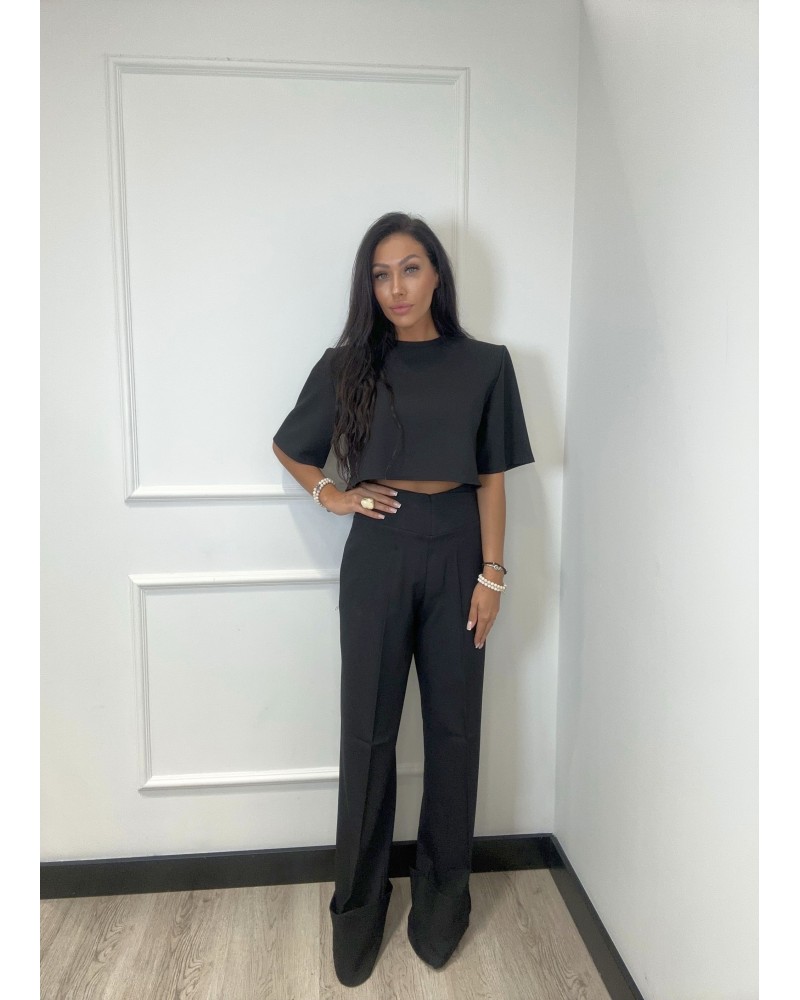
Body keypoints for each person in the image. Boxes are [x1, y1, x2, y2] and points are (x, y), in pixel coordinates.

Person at [272, 212, 535, 986]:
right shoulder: (348, 364)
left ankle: (442, 904)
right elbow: (290, 445)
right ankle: (357, 910)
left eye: (410, 269)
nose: (397, 288)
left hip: (458, 546)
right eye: (381, 275)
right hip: (379, 548)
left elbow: (492, 478)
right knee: (368, 735)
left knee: (455, 734)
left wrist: (492, 575)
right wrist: (329, 493)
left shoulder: (486, 364)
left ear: (437, 275)